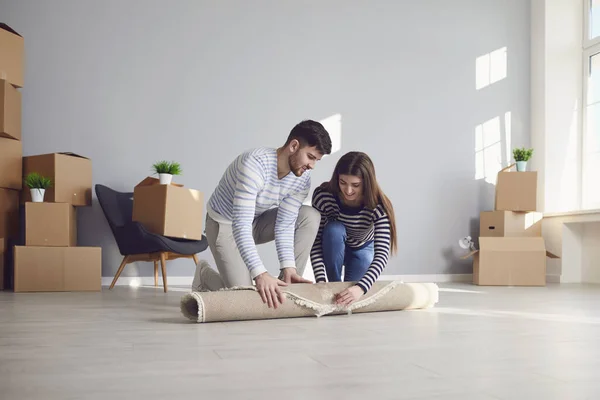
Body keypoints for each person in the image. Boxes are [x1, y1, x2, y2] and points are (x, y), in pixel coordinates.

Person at [192, 120, 332, 309]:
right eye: (310, 157)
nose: (312, 166)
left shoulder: (301, 178)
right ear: (294, 146)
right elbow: (240, 225)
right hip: (224, 225)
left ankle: (288, 284)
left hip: (255, 222)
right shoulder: (254, 165)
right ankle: (204, 275)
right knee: (244, 299)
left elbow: (285, 224)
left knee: (309, 216)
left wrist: (287, 265)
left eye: (316, 160)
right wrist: (261, 274)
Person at [310, 151, 397, 306]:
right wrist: (321, 283)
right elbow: (316, 243)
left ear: (367, 183)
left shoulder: (379, 206)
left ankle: (347, 286)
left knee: (351, 297)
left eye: (355, 185)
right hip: (334, 244)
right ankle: (334, 282)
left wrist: (360, 288)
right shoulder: (324, 196)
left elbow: (382, 254)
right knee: (333, 229)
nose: (348, 190)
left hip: (362, 250)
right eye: (343, 182)